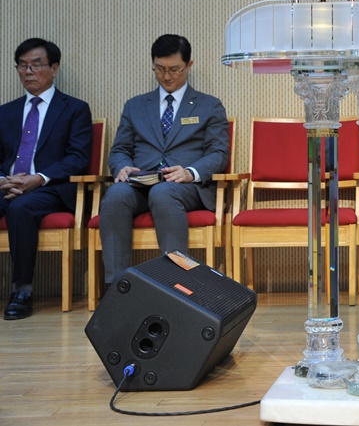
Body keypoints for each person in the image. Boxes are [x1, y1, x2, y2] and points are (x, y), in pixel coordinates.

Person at [99, 34, 229, 286]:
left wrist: (190, 172)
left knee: (163, 192)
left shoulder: (209, 105)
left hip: (185, 187)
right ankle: (117, 287)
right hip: (140, 183)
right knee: (115, 195)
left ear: (189, 65)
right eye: (160, 69)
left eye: (174, 69)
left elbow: (219, 152)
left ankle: (177, 284)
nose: (167, 76)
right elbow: (120, 150)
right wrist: (121, 166)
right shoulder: (135, 106)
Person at [0, 38, 92, 320]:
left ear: (54, 68)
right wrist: (3, 179)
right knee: (16, 202)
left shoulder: (74, 109)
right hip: (7, 185)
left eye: (36, 65)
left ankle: (22, 291)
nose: (28, 71)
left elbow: (78, 158)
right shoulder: (5, 112)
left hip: (51, 188)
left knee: (21, 208)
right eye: (22, 65)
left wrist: (38, 178)